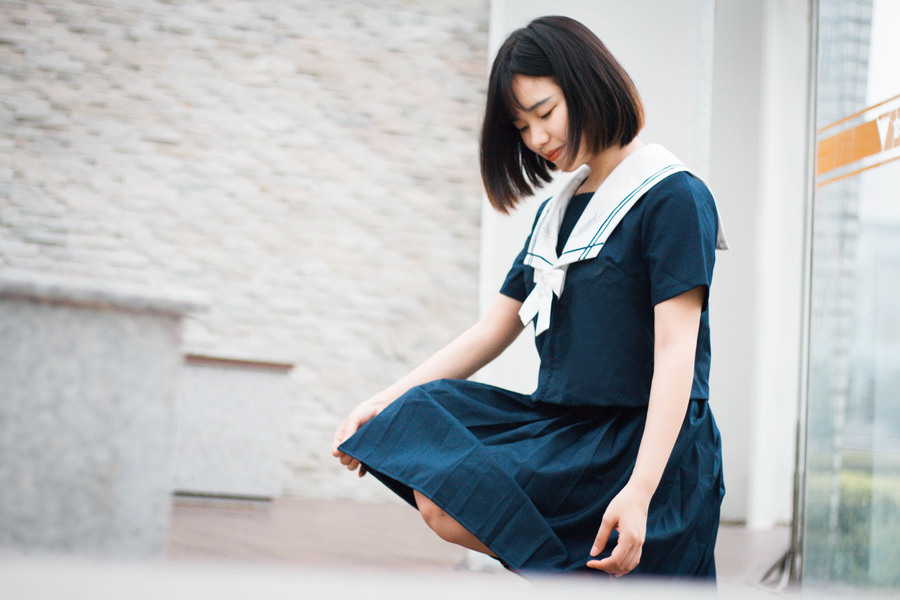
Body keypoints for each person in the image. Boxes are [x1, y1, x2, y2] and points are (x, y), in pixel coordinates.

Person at [332, 15, 727, 579]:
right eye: (522, 127)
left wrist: (641, 489)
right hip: (567, 434)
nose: (538, 139)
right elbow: (492, 329)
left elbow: (676, 351)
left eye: (545, 112)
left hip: (644, 447)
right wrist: (383, 402)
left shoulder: (673, 197)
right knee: (428, 439)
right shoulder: (556, 213)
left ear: (589, 84)